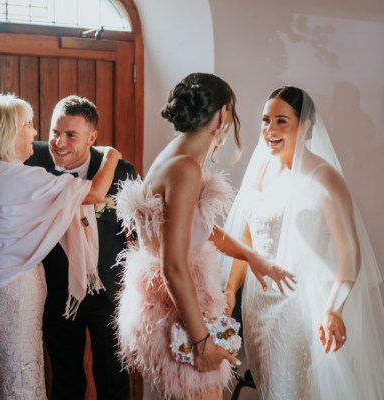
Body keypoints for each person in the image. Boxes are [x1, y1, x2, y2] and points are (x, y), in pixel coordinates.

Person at [114, 73, 295, 400]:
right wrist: (202, 344)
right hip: (183, 315)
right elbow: (173, 266)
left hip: (166, 308)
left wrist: (252, 257)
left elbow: (195, 228)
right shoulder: (185, 168)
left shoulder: (174, 157)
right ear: (223, 115)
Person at [222, 86, 384, 399]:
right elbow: (246, 241)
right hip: (257, 306)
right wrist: (229, 290)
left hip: (298, 309)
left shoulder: (323, 176)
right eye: (265, 120)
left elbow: (350, 252)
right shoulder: (261, 171)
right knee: (268, 387)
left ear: (304, 125)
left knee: (291, 390)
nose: (270, 130)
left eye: (281, 121)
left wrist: (333, 309)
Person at [0, 95, 136, 399]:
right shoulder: (35, 158)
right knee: (64, 377)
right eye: (54, 132)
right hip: (57, 290)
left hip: (107, 290)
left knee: (113, 378)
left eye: (71, 135)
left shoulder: (122, 171)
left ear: (92, 137)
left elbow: (137, 230)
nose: (58, 142)